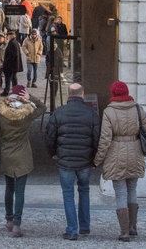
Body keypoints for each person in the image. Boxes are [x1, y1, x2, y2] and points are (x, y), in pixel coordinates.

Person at [94, 81, 146, 242]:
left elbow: (105, 139)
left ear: (113, 94)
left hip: (116, 154)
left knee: (120, 192)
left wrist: (97, 160)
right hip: (135, 152)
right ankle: (133, 227)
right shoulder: (137, 108)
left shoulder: (109, 111)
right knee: (132, 189)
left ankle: (124, 231)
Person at [45, 83, 100, 241]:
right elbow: (97, 139)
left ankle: (72, 229)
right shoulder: (92, 114)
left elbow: (49, 137)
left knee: (68, 194)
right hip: (85, 161)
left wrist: (53, 153)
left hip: (65, 160)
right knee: (84, 191)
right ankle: (84, 226)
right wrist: (95, 158)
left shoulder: (59, 113)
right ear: (82, 95)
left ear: (68, 95)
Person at [0, 84, 46, 238]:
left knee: (9, 188)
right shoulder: (27, 113)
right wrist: (31, 99)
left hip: (7, 153)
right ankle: (17, 224)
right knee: (20, 190)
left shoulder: (1, 113)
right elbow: (42, 108)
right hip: (23, 154)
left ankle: (9, 219)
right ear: (23, 97)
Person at [1, 30, 23, 96]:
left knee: (8, 78)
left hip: (11, 65)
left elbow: (12, 55)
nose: (7, 37)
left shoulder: (12, 43)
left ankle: (7, 91)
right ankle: (15, 91)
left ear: (10, 36)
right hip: (13, 65)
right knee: (13, 78)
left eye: (8, 36)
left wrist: (6, 63)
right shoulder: (14, 42)